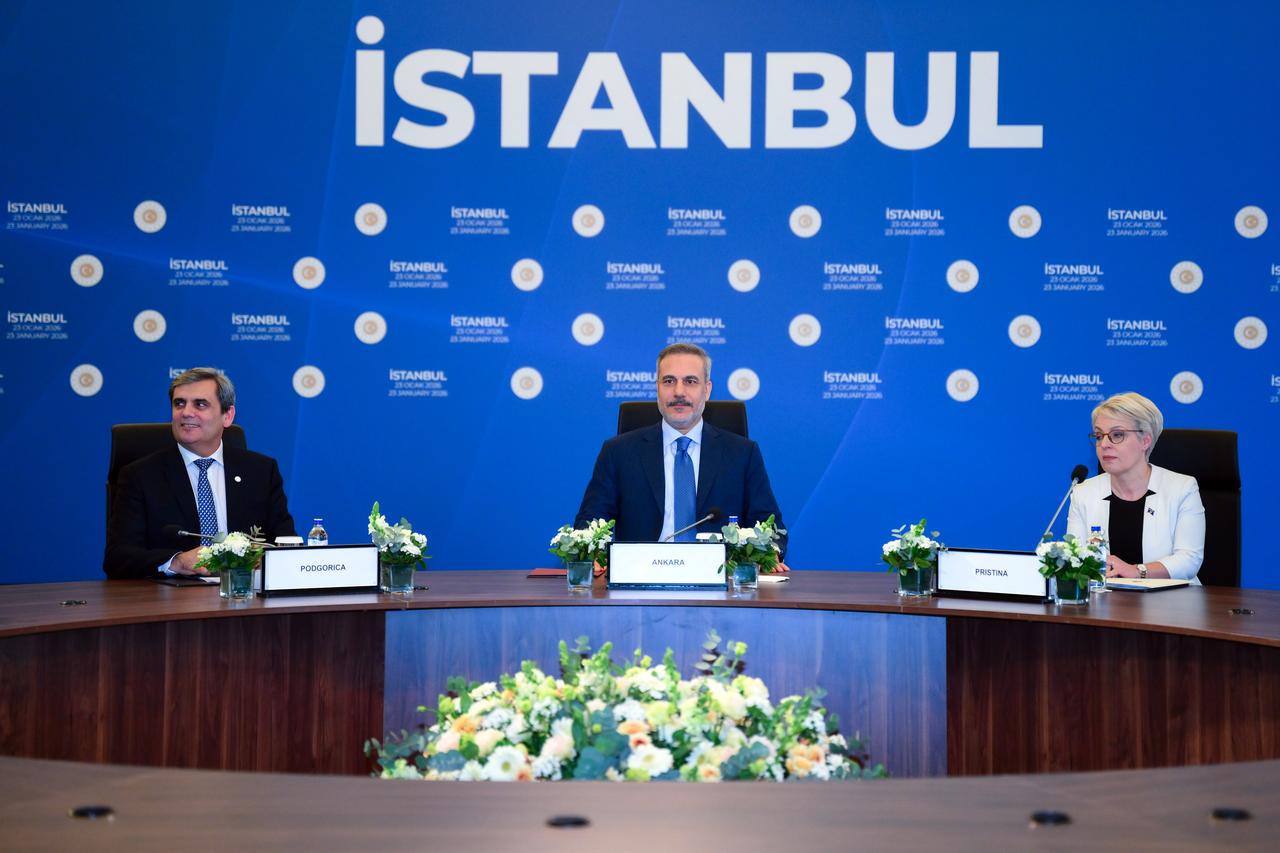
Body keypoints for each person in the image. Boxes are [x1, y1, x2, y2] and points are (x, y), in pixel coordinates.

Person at [574, 343, 787, 560]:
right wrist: (595, 558)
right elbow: (588, 524)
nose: (678, 392)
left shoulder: (742, 454)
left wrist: (767, 556)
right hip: (639, 582)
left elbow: (771, 529)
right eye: (669, 381)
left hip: (723, 581)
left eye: (690, 381)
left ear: (707, 389)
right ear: (657, 387)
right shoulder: (618, 453)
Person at [103, 368, 297, 579]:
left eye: (200, 404)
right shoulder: (140, 476)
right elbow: (117, 558)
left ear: (227, 415)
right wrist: (176, 561)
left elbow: (285, 543)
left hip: (242, 596)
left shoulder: (260, 471)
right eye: (179, 403)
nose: (186, 412)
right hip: (172, 602)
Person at [1066, 392, 1204, 583]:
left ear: (1145, 441)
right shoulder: (1083, 493)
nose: (1104, 444)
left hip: (1171, 604)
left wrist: (1136, 571)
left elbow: (1189, 560)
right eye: (1099, 436)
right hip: (1104, 605)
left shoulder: (1181, 488)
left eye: (1117, 435)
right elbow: (1075, 558)